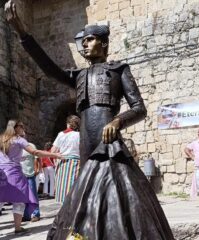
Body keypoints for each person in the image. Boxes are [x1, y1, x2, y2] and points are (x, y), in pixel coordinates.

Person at [5, 1, 174, 239]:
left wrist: (117, 122)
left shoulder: (119, 70)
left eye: (90, 39)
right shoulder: (79, 75)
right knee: (87, 196)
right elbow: (49, 69)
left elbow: (139, 108)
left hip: (109, 143)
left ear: (103, 43)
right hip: (87, 143)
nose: (85, 44)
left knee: (117, 194)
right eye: (83, 41)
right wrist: (23, 33)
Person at [0, 119, 62, 235]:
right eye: (21, 126)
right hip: (14, 174)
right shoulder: (19, 140)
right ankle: (18, 228)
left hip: (1, 173)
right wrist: (54, 155)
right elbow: (35, 152)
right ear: (16, 127)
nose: (23, 128)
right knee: (19, 200)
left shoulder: (1, 139)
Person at [51, 115, 80, 204]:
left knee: (63, 188)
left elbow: (53, 151)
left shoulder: (61, 134)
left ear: (68, 124)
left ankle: (64, 211)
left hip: (62, 162)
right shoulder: (79, 135)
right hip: (75, 163)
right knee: (73, 188)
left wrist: (56, 159)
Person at [20, 133, 41, 222]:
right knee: (23, 197)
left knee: (32, 195)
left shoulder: (31, 146)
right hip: (20, 177)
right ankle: (26, 215)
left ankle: (36, 214)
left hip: (30, 175)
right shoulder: (16, 148)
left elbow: (36, 158)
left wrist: (37, 168)